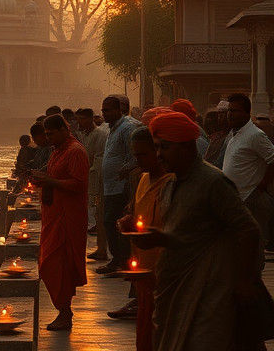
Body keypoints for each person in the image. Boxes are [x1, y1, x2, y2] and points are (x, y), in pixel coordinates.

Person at [134, 111, 274, 351]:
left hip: (209, 292)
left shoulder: (213, 182)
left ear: (187, 146)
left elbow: (248, 230)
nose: (159, 155)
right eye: (156, 148)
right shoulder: (170, 185)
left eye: (165, 147)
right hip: (178, 291)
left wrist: (244, 280)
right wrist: (159, 238)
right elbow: (188, 235)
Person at [108, 127, 175, 344]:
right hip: (145, 272)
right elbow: (138, 215)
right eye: (135, 155)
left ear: (158, 150)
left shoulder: (172, 182)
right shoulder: (143, 179)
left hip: (167, 273)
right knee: (145, 334)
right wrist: (127, 221)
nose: (138, 160)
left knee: (163, 335)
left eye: (143, 154)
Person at [30, 114, 89, 331]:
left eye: (51, 133)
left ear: (64, 130)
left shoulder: (75, 151)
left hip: (68, 217)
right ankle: (63, 311)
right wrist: (41, 178)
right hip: (53, 217)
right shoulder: (58, 150)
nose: (48, 138)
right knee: (49, 264)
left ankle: (65, 313)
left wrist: (50, 181)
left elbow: (79, 185)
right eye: (46, 134)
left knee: (57, 265)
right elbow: (54, 177)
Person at [222, 93, 274, 248]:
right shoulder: (234, 135)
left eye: (235, 111)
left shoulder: (255, 134)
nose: (230, 115)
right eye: (229, 111)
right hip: (237, 199)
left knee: (253, 247)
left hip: (251, 199)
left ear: (246, 113)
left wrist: (261, 185)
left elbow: (272, 159)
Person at [97, 94, 140, 275]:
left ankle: (120, 260)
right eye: (103, 110)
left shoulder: (127, 127)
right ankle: (118, 259)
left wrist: (126, 170)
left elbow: (136, 155)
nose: (104, 114)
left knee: (115, 223)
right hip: (110, 186)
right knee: (110, 222)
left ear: (118, 110)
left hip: (121, 186)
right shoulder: (113, 128)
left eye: (107, 110)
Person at [75, 107, 108, 256]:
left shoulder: (100, 134)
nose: (79, 122)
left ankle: (102, 248)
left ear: (89, 119)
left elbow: (99, 158)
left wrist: (89, 172)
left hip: (96, 176)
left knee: (98, 211)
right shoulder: (84, 135)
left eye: (81, 119)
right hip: (87, 174)